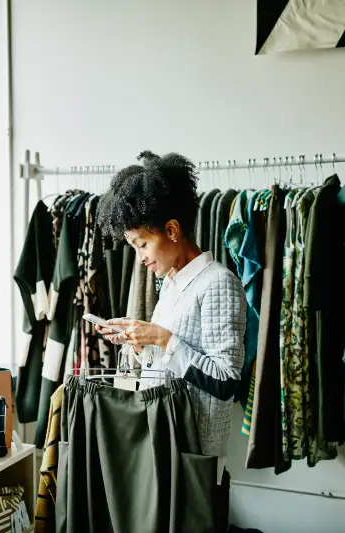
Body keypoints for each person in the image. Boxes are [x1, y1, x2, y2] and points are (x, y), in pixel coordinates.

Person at [94, 150, 247, 531]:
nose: (140, 258)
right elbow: (170, 362)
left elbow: (226, 380)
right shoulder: (172, 284)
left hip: (195, 451)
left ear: (173, 230)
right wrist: (135, 340)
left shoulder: (217, 283)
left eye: (142, 245)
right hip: (164, 440)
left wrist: (162, 338)